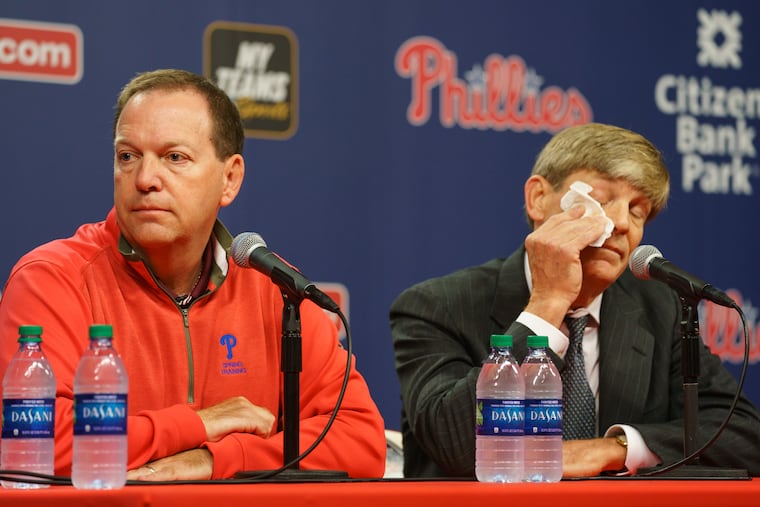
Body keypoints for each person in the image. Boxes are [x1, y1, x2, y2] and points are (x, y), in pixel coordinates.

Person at [0, 69, 386, 481]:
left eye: (174, 158)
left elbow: (360, 440)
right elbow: (29, 445)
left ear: (230, 178)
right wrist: (197, 424)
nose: (145, 179)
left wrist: (215, 460)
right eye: (128, 156)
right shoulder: (52, 278)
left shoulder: (274, 288)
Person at [389, 122, 760, 479]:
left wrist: (612, 448)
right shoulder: (437, 305)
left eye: (637, 210)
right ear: (538, 199)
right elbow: (454, 445)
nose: (621, 223)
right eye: (600, 199)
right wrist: (547, 304)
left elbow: (745, 435)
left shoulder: (659, 311)